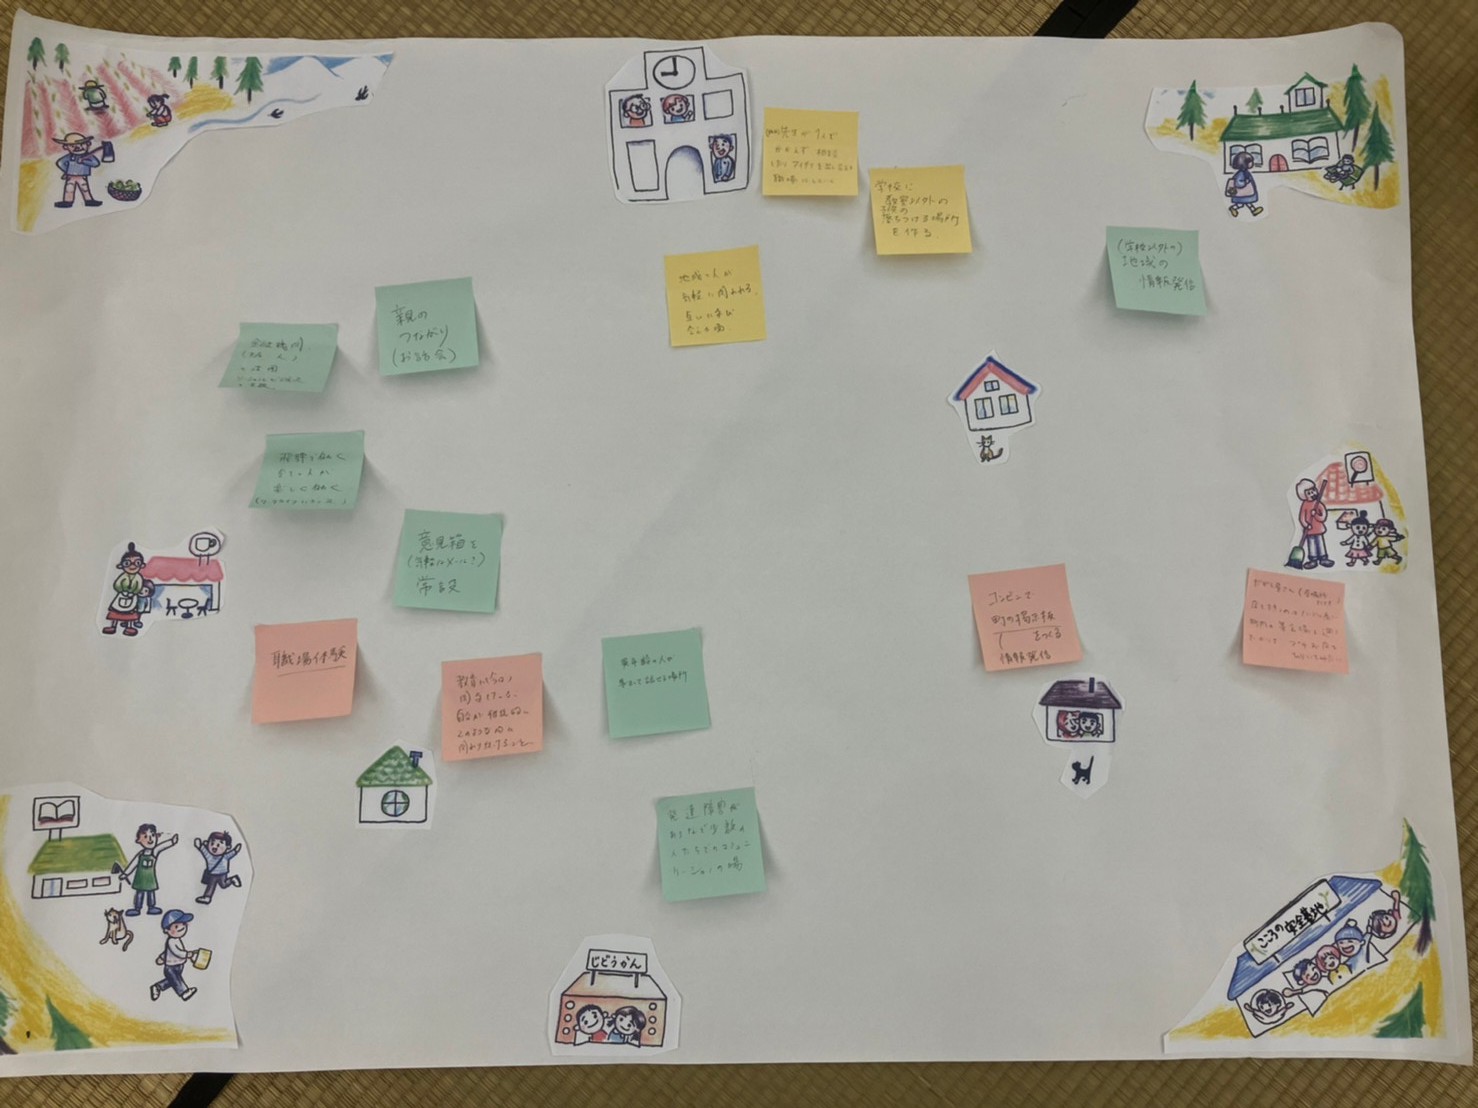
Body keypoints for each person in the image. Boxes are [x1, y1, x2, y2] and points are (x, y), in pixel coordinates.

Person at [121, 823, 178, 916]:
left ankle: (151, 907)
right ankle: (137, 908)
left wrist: (172, 842)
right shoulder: (140, 855)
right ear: (139, 840)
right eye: (145, 837)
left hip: (150, 879)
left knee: (151, 893)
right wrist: (125, 874)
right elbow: (133, 865)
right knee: (139, 893)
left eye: (152, 835)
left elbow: (161, 847)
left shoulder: (154, 852)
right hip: (140, 879)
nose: (150, 839)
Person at [103, 542, 155, 636]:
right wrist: (122, 590)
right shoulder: (123, 576)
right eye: (127, 563)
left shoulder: (138, 578)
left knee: (130, 612)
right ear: (121, 565)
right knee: (116, 610)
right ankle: (113, 626)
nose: (132, 566)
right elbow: (117, 584)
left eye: (137, 563)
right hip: (121, 595)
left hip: (132, 596)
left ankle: (129, 627)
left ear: (141, 565)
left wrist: (133, 592)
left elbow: (138, 586)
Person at [150, 909, 199, 1002]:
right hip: (171, 967)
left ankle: (157, 987)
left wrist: (162, 957)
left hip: (179, 965)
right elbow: (177, 952)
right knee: (176, 980)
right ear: (167, 930)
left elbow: (168, 952)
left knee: (172, 981)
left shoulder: (176, 940)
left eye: (183, 924)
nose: (182, 927)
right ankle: (184, 992)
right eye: (176, 926)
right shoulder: (171, 941)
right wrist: (187, 954)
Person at [53, 132, 104, 210]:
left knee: (85, 189)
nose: (78, 147)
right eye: (72, 146)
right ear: (66, 147)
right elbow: (60, 163)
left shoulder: (88, 157)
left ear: (88, 144)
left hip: (82, 176)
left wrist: (84, 161)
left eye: (82, 144)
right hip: (71, 177)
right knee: (69, 189)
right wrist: (66, 171)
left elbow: (95, 163)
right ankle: (67, 202)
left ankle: (89, 201)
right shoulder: (69, 157)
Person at [194, 831, 243, 905]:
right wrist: (199, 846)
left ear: (228, 847)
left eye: (218, 845)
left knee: (223, 885)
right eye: (212, 843)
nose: (214, 847)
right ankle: (207, 897)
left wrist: (236, 850)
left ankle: (232, 880)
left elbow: (232, 853)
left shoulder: (225, 857)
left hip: (222, 873)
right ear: (207, 843)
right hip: (213, 874)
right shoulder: (209, 856)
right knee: (211, 885)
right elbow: (203, 850)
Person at [1294, 479, 1334, 569]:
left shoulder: (1318, 503)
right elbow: (1302, 517)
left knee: (1320, 544)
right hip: (1309, 530)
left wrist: (1316, 515)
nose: (1312, 494)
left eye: (1313, 491)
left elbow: (1323, 517)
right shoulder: (1305, 504)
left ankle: (1323, 558)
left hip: (1319, 528)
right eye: (1309, 493)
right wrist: (1306, 525)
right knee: (1311, 545)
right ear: (1304, 495)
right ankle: (1313, 560)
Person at [1224, 150, 1263, 218]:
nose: (1252, 163)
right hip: (1243, 193)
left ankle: (1251, 210)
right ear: (1244, 163)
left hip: (1244, 193)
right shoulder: (1241, 173)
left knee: (1243, 203)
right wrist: (1246, 182)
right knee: (1245, 202)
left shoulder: (1244, 172)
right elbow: (1238, 183)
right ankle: (1235, 208)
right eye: (1250, 162)